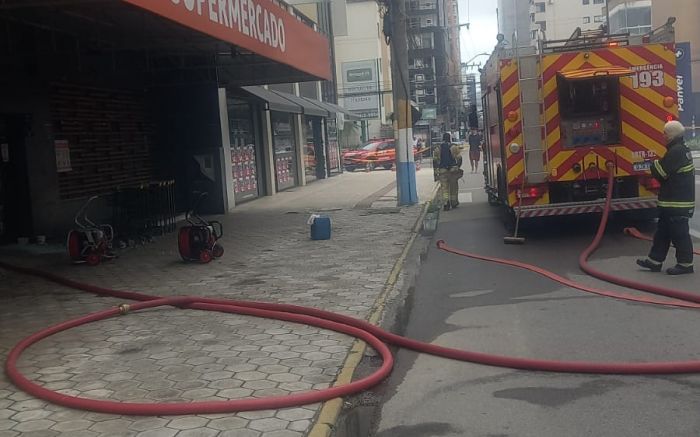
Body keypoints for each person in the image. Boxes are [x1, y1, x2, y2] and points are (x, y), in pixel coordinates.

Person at [636, 120, 695, 275]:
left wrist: (653, 163)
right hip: (673, 202)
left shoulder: (676, 151)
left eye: (665, 133)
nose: (663, 136)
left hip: (677, 203)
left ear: (671, 135)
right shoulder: (680, 149)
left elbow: (661, 173)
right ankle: (654, 261)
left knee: (679, 234)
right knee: (662, 232)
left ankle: (685, 264)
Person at [433, 133, 462, 210]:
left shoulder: (438, 148)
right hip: (452, 170)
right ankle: (454, 202)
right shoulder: (454, 147)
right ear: (450, 138)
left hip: (442, 171)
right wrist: (458, 167)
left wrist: (435, 173)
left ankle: (446, 202)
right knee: (454, 187)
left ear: (443, 138)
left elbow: (435, 161)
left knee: (444, 189)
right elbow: (459, 158)